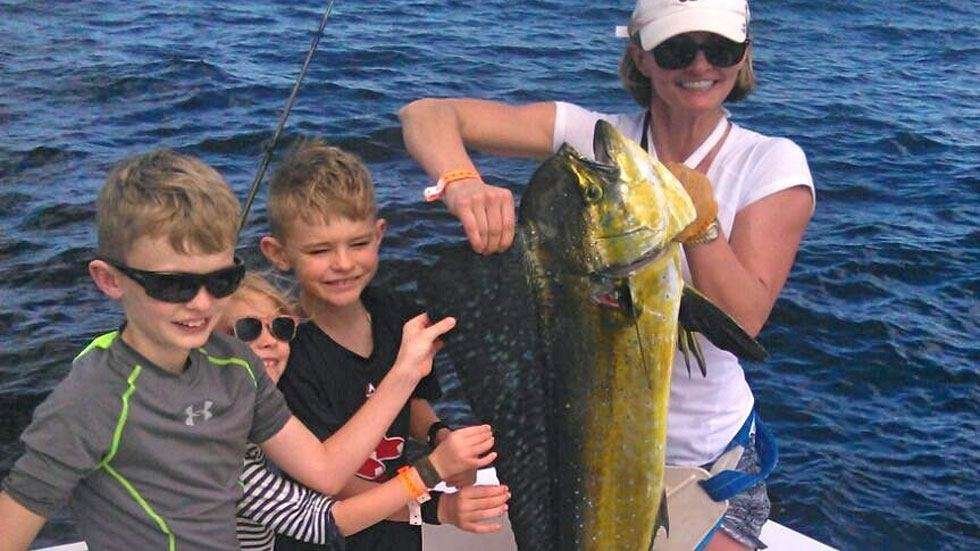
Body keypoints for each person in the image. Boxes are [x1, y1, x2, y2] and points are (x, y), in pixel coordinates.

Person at [398, 0, 815, 548]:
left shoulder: (771, 162)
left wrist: (701, 230)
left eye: (719, 49)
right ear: (640, 56)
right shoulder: (596, 145)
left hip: (707, 460)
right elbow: (425, 114)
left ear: (743, 56)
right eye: (675, 49)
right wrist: (462, 183)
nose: (699, 65)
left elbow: (744, 321)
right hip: (573, 454)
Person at [0, 150, 496, 551]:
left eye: (220, 280)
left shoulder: (237, 365)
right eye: (172, 285)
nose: (201, 304)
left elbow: (324, 472)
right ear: (109, 280)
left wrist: (415, 391)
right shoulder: (92, 398)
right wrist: (428, 469)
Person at [259, 140, 499, 551]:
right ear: (278, 254)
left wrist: (438, 434)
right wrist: (436, 503)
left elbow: (412, 400)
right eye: (320, 250)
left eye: (358, 244)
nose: (343, 263)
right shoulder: (284, 351)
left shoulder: (397, 314)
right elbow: (329, 482)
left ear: (379, 235)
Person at [221, 273, 511, 549]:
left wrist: (437, 435)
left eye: (281, 328)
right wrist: (434, 476)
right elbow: (320, 520)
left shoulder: (256, 421)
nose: (269, 340)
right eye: (247, 329)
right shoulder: (220, 451)